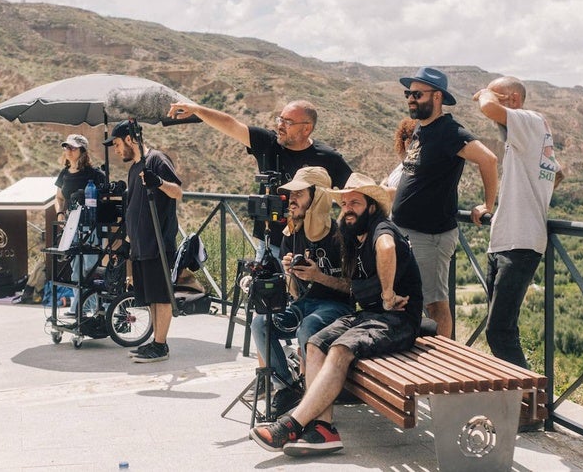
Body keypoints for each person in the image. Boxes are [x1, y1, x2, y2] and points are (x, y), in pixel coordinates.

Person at [250, 173, 423, 457]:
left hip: (399, 319)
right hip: (368, 316)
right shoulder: (354, 237)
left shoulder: (382, 229)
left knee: (341, 349)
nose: (347, 209)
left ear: (371, 206)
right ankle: (323, 429)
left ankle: (290, 425)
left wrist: (389, 293)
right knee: (316, 342)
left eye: (354, 203)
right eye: (343, 204)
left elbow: (387, 248)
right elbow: (350, 285)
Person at [167, 100, 352, 261]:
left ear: (306, 128)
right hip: (271, 243)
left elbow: (354, 194)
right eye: (280, 119)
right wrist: (198, 110)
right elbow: (231, 125)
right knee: (266, 298)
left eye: (288, 122)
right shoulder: (268, 144)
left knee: (306, 300)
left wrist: (339, 233)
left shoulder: (328, 158)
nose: (280, 125)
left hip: (311, 247)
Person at [391, 67, 498, 338]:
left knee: (435, 302)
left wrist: (488, 204)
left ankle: (444, 361)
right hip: (405, 231)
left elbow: (489, 159)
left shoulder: (450, 131)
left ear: (437, 96)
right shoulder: (420, 130)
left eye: (416, 94)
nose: (410, 99)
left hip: (430, 235)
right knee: (408, 298)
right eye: (408, 93)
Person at [473, 76, 563, 369]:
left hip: (520, 242)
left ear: (512, 99)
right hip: (506, 239)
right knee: (503, 329)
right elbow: (556, 175)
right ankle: (520, 401)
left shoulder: (529, 120)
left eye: (499, 96)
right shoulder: (528, 137)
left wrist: (486, 94)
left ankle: (530, 403)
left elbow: (487, 107)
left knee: (498, 331)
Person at [250, 166, 352, 417]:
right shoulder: (291, 235)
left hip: (339, 308)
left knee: (308, 327)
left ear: (316, 197)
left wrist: (319, 276)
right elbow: (295, 293)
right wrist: (290, 273)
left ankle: (314, 397)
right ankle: (285, 387)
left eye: (299, 194)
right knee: (261, 324)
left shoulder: (342, 236)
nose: (291, 200)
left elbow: (353, 288)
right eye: (290, 195)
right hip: (305, 304)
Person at [103, 120, 183, 363]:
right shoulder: (134, 168)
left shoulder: (156, 160)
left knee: (161, 296)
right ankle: (156, 343)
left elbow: (177, 192)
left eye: (117, 144)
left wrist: (158, 181)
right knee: (150, 297)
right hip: (140, 245)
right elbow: (134, 209)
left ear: (130, 139)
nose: (116, 150)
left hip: (157, 243)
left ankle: (161, 346)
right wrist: (127, 241)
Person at [54, 134, 106, 316]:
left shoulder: (94, 174)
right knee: (76, 268)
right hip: (72, 226)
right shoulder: (64, 174)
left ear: (82, 151)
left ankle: (93, 309)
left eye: (72, 148)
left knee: (90, 267)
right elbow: (59, 198)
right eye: (66, 147)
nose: (68, 150)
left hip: (90, 227)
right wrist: (60, 214)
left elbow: (105, 199)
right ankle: (81, 308)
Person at [380, 117, 417, 201]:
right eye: (405, 137)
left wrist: (382, 186)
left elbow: (395, 194)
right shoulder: (403, 165)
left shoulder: (419, 168)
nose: (408, 141)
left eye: (413, 138)